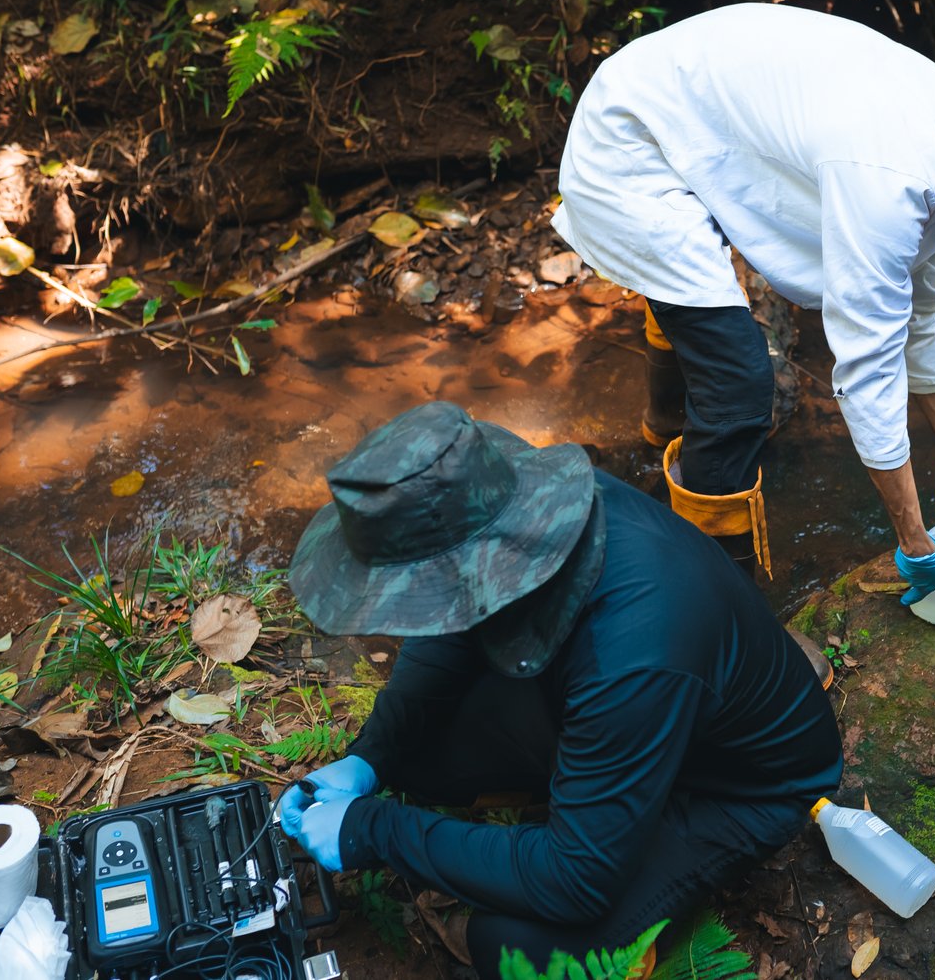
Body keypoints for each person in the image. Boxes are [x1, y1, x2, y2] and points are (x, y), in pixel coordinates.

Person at [552, 2, 935, 600]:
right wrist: (914, 540)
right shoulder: (890, 180)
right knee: (741, 391)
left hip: (697, 117)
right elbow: (866, 368)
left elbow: (916, 314)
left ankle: (669, 427)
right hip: (634, 141)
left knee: (711, 333)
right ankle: (720, 609)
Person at [277, 402, 843, 974]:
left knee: (511, 946)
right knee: (413, 759)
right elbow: (452, 617)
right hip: (617, 695)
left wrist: (375, 830)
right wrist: (372, 755)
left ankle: (620, 842)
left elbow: (575, 882)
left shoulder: (635, 653)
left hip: (736, 790)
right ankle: (593, 793)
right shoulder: (524, 509)